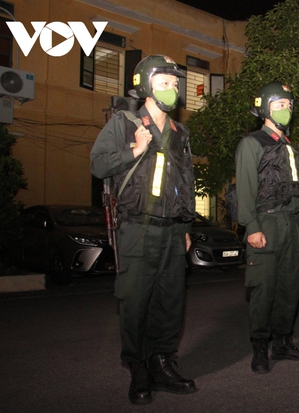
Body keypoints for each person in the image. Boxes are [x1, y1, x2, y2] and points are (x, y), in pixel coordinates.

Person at [90, 55, 196, 405]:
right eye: (165, 82)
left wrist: (184, 226)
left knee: (170, 302)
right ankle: (138, 368)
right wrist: (134, 148)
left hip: (171, 231)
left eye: (176, 83)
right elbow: (98, 162)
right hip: (137, 228)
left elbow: (185, 181)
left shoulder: (181, 133)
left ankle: (162, 362)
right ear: (147, 85)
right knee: (135, 302)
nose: (173, 89)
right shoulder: (125, 121)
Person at [235, 82, 299, 374]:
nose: (286, 109)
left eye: (289, 105)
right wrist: (252, 226)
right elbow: (245, 190)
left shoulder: (291, 148)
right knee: (263, 288)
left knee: (289, 288)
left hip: (292, 224)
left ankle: (283, 342)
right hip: (265, 223)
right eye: (280, 104)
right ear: (265, 108)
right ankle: (260, 348)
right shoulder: (252, 143)